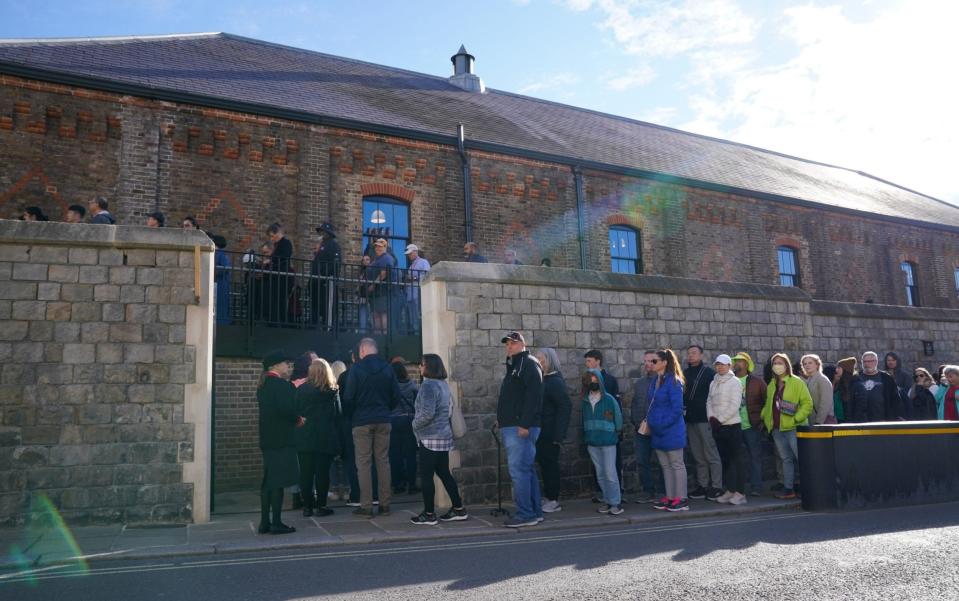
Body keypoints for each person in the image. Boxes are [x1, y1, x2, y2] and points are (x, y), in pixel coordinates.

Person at [342, 338, 401, 517]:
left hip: (361, 421)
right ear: (375, 350)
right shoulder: (388, 369)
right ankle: (384, 505)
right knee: (383, 461)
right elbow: (396, 396)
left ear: (362, 351)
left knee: (364, 464)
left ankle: (366, 506)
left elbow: (348, 398)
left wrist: (352, 416)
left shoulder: (356, 370)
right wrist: (385, 410)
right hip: (383, 419)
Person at [410, 354, 468, 525]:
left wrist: (414, 424)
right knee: (444, 473)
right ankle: (458, 508)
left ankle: (429, 514)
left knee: (427, 476)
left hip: (429, 438)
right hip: (443, 437)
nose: (419, 368)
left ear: (429, 367)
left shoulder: (428, 386)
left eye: (421, 365)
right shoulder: (443, 385)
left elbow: (427, 413)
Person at [496, 331, 544, 527]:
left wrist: (524, 424)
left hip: (521, 427)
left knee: (519, 471)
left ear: (523, 344)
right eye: (507, 344)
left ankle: (525, 514)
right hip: (513, 424)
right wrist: (502, 419)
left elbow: (534, 397)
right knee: (526, 470)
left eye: (513, 343)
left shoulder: (529, 364)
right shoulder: (515, 365)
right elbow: (513, 398)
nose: (509, 346)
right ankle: (535, 511)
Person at [256, 349, 304, 535]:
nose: (289, 367)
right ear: (275, 366)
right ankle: (276, 522)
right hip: (282, 440)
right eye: (286, 363)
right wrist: (299, 419)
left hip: (267, 439)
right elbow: (288, 410)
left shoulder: (264, 384)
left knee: (268, 481)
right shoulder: (281, 386)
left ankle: (264, 523)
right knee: (277, 482)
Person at [761, 353, 813, 500]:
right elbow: (769, 404)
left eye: (780, 363)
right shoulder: (772, 384)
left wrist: (796, 419)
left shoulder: (797, 382)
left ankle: (810, 487)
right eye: (775, 363)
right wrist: (765, 417)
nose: (777, 366)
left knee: (801, 458)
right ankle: (788, 488)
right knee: (786, 459)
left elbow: (807, 404)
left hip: (793, 428)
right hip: (777, 428)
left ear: (787, 365)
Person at [294, 358, 341, 517]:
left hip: (305, 435)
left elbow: (296, 411)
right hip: (325, 436)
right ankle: (321, 506)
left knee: (306, 473)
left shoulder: (301, 390)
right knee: (322, 473)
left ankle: (307, 507)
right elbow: (338, 413)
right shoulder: (332, 391)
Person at [646, 349, 688, 512]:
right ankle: (671, 497)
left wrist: (661, 424)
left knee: (676, 464)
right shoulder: (655, 380)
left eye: (655, 361)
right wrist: (653, 422)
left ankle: (682, 499)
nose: (651, 364)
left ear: (664, 362)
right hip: (657, 429)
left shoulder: (674, 381)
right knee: (665, 465)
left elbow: (677, 409)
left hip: (671, 430)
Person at [533, 347, 572, 513]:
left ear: (551, 361)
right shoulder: (544, 380)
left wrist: (558, 435)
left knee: (550, 466)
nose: (540, 362)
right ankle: (549, 497)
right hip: (541, 432)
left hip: (550, 434)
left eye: (542, 360)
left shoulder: (554, 381)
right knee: (544, 464)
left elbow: (565, 407)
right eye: (538, 360)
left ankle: (554, 500)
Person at [706, 354, 748, 505]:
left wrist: (720, 420)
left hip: (732, 426)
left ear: (729, 366)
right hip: (717, 427)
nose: (720, 366)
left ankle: (740, 493)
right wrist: (711, 418)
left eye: (723, 364)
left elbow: (735, 405)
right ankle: (730, 490)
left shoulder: (735, 382)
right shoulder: (713, 382)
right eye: (717, 364)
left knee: (737, 460)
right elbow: (709, 401)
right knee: (726, 461)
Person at [683, 345, 722, 501]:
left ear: (701, 355)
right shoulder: (685, 373)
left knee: (711, 453)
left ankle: (717, 486)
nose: (690, 356)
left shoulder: (709, 373)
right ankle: (703, 485)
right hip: (690, 419)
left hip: (705, 419)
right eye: (689, 353)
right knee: (698, 455)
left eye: (694, 353)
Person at [584, 349, 624, 500]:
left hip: (608, 437)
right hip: (593, 438)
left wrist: (615, 430)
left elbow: (615, 411)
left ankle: (615, 500)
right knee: (600, 472)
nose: (587, 364)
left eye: (589, 361)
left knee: (610, 471)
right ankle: (606, 497)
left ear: (597, 360)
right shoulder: (586, 397)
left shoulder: (610, 382)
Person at [630, 350, 665, 504]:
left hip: (659, 429)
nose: (648, 364)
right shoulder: (639, 384)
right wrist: (636, 422)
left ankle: (665, 492)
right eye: (645, 361)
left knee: (663, 461)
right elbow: (635, 404)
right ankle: (648, 491)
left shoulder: (665, 382)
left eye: (651, 361)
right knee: (642, 461)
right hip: (641, 430)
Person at [732, 352, 767, 496]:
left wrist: (761, 421)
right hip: (733, 425)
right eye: (735, 361)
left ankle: (756, 487)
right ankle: (735, 488)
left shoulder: (757, 382)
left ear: (747, 364)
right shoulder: (730, 380)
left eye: (740, 361)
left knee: (755, 457)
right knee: (735, 458)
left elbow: (767, 401)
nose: (737, 364)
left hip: (752, 426)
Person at [389, 362, 419, 495]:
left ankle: (398, 484)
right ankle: (412, 484)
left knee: (395, 454)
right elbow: (418, 403)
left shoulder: (390, 386)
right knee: (410, 454)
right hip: (409, 420)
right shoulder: (413, 385)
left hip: (394, 420)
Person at [858, 351, 906, 421]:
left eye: (870, 361)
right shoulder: (856, 378)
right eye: (864, 362)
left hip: (882, 420)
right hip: (861, 421)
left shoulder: (886, 378)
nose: (866, 364)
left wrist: (897, 416)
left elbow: (895, 399)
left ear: (876, 362)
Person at [311, 222, 341, 327]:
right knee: (316, 305)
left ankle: (328, 328)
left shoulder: (333, 244)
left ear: (329, 232)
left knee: (327, 307)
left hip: (326, 282)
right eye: (321, 231)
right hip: (317, 281)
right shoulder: (322, 245)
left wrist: (325, 275)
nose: (322, 233)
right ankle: (315, 327)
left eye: (324, 231)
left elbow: (336, 263)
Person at [266, 223, 294, 325]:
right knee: (275, 301)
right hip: (277, 277)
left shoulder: (286, 243)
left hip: (282, 277)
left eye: (272, 236)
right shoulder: (277, 245)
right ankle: (275, 321)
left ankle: (280, 322)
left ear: (277, 233)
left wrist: (271, 260)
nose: (271, 239)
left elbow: (284, 256)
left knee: (280, 301)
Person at [367, 239, 396, 334]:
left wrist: (373, 284)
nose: (377, 248)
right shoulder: (377, 259)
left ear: (385, 247)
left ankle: (384, 335)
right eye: (376, 246)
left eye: (380, 246)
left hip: (382, 291)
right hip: (376, 293)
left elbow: (383, 273)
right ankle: (378, 335)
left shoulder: (386, 258)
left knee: (383, 313)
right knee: (376, 314)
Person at [800, 354, 835, 424]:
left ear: (817, 365)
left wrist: (818, 422)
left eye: (810, 363)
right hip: (812, 421)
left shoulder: (822, 379)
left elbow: (825, 403)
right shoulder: (808, 380)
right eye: (805, 364)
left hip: (823, 421)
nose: (807, 365)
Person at [404, 244, 430, 334]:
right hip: (410, 294)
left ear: (415, 252)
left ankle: (421, 333)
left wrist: (413, 278)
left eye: (410, 253)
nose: (409, 255)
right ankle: (416, 332)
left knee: (419, 313)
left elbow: (427, 275)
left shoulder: (423, 262)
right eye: (408, 254)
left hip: (419, 292)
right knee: (412, 315)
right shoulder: (411, 266)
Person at [835, 357, 865, 423]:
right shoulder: (840, 384)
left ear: (845, 369)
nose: (836, 370)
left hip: (852, 424)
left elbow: (860, 407)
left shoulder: (857, 385)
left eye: (839, 368)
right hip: (841, 422)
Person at [211, 234, 231, 325]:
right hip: (220, 284)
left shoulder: (221, 255)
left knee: (220, 305)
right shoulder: (221, 254)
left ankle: (221, 323)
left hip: (220, 284)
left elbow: (225, 268)